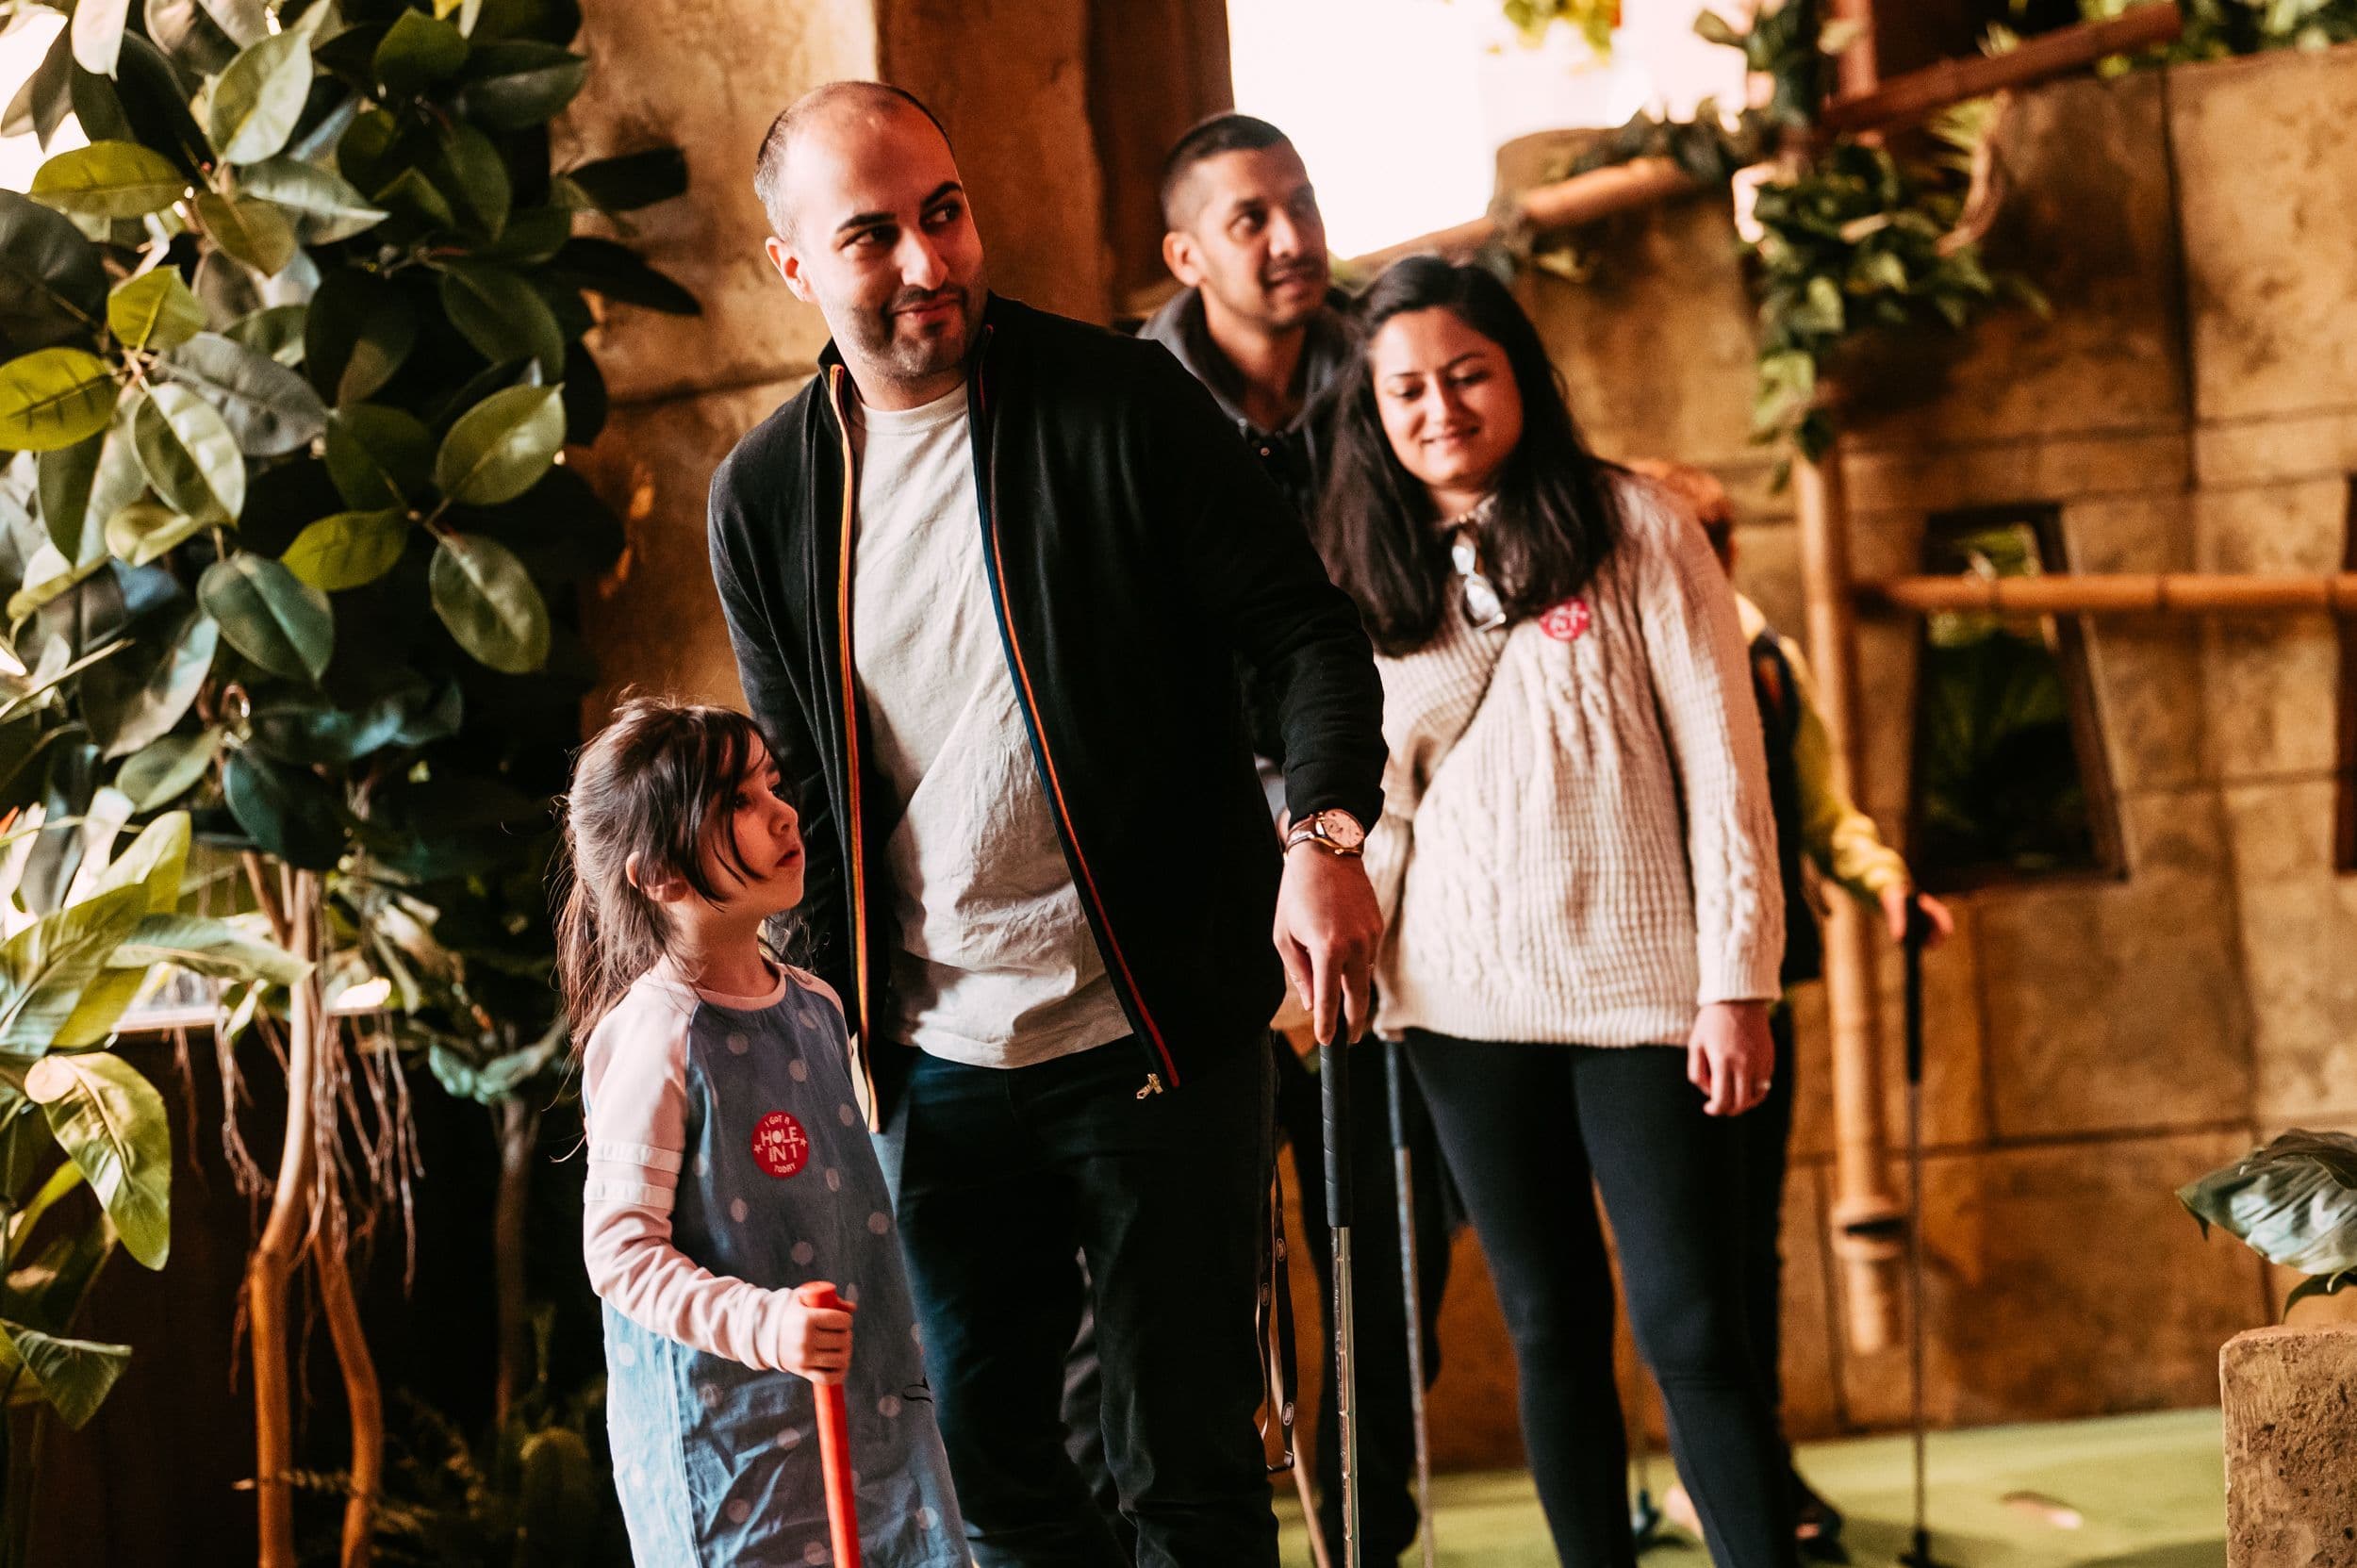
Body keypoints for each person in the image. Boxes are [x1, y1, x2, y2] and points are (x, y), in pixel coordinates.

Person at [706, 81, 1389, 1568]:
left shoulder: (1125, 403)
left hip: (1156, 1034)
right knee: (996, 1484)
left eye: (944, 212)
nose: (930, 262)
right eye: (872, 234)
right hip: (935, 1069)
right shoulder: (763, 495)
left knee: (1189, 1480)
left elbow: (1306, 639)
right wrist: (807, 1045)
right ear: (795, 268)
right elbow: (805, 793)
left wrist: (1326, 839)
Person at [1310, 256, 1794, 1568]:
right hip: (1462, 1005)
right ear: (1373, 411)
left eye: (1466, 374)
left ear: (1519, 371)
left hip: (1647, 996)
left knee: (1695, 1324)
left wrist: (1736, 980)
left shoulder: (1635, 523)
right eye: (1405, 388)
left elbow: (1725, 768)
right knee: (1548, 1319)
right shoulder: (1361, 567)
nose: (1440, 408)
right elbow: (1367, 800)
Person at [1130, 111, 1455, 1565]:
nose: (1290, 237)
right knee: (1215, 1260)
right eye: (1250, 217)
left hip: (1380, 844)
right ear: (1185, 252)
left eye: (1303, 203)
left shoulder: (1381, 370)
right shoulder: (1126, 400)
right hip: (1192, 879)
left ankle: (1369, 1535)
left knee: (1392, 1236)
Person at [1630, 459, 1956, 1560]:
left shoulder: (1765, 658)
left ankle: (1754, 1457)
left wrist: (1887, 884)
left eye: (1701, 541)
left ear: (1720, 550)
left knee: (1751, 1240)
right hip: (1640, 997)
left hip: (1759, 980)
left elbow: (1819, 803)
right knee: (1683, 1246)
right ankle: (1702, 1467)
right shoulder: (1610, 651)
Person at [558, 697, 966, 1566]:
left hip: (872, 1424)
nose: (783, 811)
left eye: (771, 783)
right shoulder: (657, 1034)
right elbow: (621, 1254)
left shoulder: (816, 1007)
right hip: (737, 1459)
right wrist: (764, 1325)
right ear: (658, 875)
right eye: (735, 802)